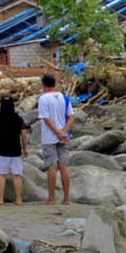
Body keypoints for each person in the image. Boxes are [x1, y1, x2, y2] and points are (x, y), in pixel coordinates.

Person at [38, 73, 74, 205]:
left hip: (49, 137)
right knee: (64, 167)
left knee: (51, 167)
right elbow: (71, 117)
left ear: (43, 85)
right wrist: (63, 132)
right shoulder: (64, 97)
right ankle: (66, 199)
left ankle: (51, 198)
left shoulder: (43, 99)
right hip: (64, 137)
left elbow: (46, 119)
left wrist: (58, 133)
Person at [0, 95, 29, 205]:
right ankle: (19, 199)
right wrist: (25, 149)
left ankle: (0, 199)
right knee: (17, 175)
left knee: (1, 175)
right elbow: (24, 135)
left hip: (0, 150)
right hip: (15, 150)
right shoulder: (19, 118)